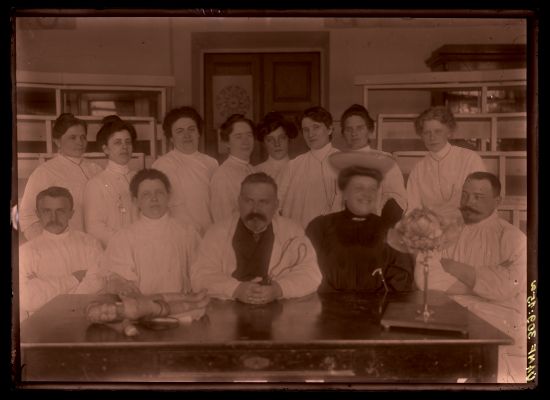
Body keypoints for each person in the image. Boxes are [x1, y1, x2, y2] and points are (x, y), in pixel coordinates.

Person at [418, 172, 526, 383]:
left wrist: (453, 267)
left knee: (486, 367)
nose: (469, 203)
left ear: (498, 201)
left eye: (478, 197)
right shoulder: (441, 233)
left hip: (497, 317)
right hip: (449, 313)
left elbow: (505, 287)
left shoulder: (512, 238)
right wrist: (483, 282)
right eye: (465, 195)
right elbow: (425, 278)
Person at [191, 172, 321, 304]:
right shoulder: (217, 232)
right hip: (229, 307)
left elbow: (311, 274)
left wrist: (278, 289)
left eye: (263, 202)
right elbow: (200, 276)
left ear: (276, 205)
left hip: (278, 308)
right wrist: (236, 289)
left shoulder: (292, 231)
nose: (255, 210)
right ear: (239, 202)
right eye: (248, 201)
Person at [306, 152, 413, 294]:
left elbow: (401, 281)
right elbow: (307, 275)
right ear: (344, 193)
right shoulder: (320, 228)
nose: (367, 194)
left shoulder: (391, 232)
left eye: (372, 189)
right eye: (359, 188)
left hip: (378, 307)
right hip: (327, 306)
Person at [99, 169, 200, 295]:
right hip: (141, 305)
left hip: (182, 305)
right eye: (146, 194)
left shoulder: (187, 232)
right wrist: (121, 285)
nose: (154, 199)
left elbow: (199, 273)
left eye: (159, 193)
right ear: (136, 201)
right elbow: (117, 279)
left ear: (168, 196)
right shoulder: (124, 237)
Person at [19, 187, 103, 321]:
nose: (53, 218)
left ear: (71, 213)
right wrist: (74, 279)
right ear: (38, 214)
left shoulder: (90, 244)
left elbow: (97, 285)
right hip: (43, 324)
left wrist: (44, 287)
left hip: (83, 320)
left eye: (60, 211)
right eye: (47, 211)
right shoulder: (26, 252)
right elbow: (28, 300)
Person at [19, 113, 103, 240]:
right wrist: (48, 244)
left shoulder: (96, 169)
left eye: (83, 137)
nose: (79, 142)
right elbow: (27, 216)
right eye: (72, 137)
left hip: (97, 242)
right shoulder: (44, 172)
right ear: (57, 141)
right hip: (65, 243)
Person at [406, 106, 486, 212]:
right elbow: (412, 208)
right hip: (430, 222)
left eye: (438, 131)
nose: (432, 137)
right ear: (421, 136)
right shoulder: (418, 169)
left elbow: (480, 200)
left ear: (449, 132)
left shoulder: (470, 159)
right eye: (427, 132)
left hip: (466, 219)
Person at [152, 107, 218, 235]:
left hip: (209, 233)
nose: (187, 135)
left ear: (198, 133)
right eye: (179, 131)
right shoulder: (162, 165)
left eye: (191, 129)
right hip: (177, 234)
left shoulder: (211, 163)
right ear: (171, 138)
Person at [341, 104, 407, 226]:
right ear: (343, 133)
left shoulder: (384, 160)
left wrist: (382, 229)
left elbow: (398, 201)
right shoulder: (337, 162)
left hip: (375, 227)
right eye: (349, 129)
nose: (354, 133)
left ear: (370, 131)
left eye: (360, 128)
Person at [277, 106, 342, 228]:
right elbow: (277, 203)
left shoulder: (342, 162)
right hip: (296, 234)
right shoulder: (293, 165)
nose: (310, 134)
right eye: (306, 130)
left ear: (329, 129)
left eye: (316, 127)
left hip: (330, 233)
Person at [83, 115, 138, 247]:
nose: (124, 147)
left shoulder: (140, 178)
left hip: (143, 248)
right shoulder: (96, 183)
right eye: (117, 142)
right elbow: (94, 227)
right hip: (115, 250)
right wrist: (127, 244)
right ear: (105, 149)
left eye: (128, 142)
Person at [209, 114, 256, 223]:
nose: (246, 141)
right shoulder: (222, 175)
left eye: (249, 135)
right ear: (227, 143)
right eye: (238, 136)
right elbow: (223, 220)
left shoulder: (252, 169)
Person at [254, 111, 298, 180]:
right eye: (270, 140)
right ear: (264, 143)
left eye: (282, 138)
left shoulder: (299, 169)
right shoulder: (255, 172)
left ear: (289, 140)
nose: (277, 144)